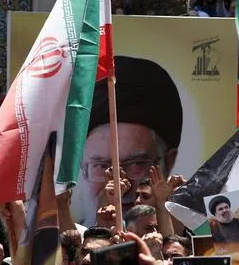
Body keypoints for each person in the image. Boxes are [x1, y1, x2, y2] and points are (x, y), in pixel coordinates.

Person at [77, 57, 183, 225]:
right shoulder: (72, 247)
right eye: (102, 166)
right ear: (82, 168)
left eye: (136, 164)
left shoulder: (184, 246)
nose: (121, 187)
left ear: (168, 161)